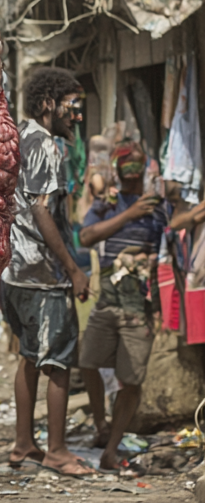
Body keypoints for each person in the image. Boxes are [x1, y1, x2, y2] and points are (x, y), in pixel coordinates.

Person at [3, 67, 94, 476]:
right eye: (72, 107)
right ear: (48, 104)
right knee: (57, 361)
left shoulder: (18, 136)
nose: (77, 116)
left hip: (14, 272)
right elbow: (41, 210)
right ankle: (57, 450)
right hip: (43, 273)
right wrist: (73, 269)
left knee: (29, 357)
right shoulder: (44, 144)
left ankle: (24, 444)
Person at [78, 141, 171, 471]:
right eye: (126, 170)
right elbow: (86, 237)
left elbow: (167, 250)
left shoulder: (158, 208)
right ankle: (102, 427)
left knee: (130, 380)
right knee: (88, 363)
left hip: (137, 307)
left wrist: (158, 308)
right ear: (117, 171)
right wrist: (129, 214)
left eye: (137, 169)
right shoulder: (108, 203)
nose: (132, 177)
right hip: (107, 302)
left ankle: (112, 448)